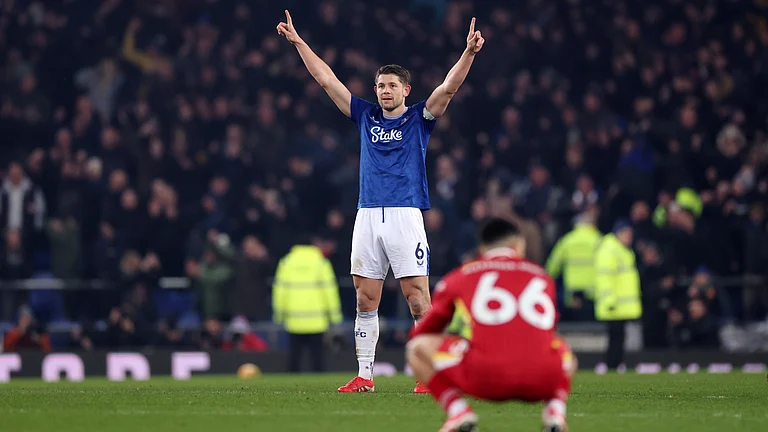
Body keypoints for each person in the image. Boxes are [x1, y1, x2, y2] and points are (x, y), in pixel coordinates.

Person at [276, 10, 485, 393]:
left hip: (405, 214)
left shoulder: (420, 117)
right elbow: (327, 80)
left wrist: (469, 53)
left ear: (406, 89)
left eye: (391, 85)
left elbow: (448, 89)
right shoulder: (365, 116)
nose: (384, 91)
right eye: (380, 85)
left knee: (418, 299)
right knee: (364, 297)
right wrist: (298, 42)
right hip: (368, 214)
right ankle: (365, 376)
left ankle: (427, 375)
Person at [407, 218, 576, 432]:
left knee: (417, 348)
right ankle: (555, 413)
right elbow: (547, 328)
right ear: (517, 245)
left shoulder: (461, 276)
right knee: (563, 349)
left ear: (482, 249)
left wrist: (462, 342)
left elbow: (423, 332)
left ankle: (459, 412)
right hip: (541, 379)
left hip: (485, 377)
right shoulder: (542, 277)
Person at [272, 237, 343, 373]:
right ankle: (321, 389)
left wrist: (279, 315)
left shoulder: (286, 263)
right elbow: (330, 290)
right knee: (317, 358)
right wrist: (335, 316)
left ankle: (290, 389)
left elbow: (280, 291)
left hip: (294, 319)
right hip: (317, 319)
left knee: (294, 358)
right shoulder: (321, 263)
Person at [594, 220, 642, 371]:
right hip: (614, 304)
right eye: (626, 233)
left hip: (621, 304)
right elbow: (604, 277)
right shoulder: (610, 250)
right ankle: (612, 365)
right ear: (618, 234)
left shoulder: (622, 250)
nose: (629, 237)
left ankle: (616, 364)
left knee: (619, 336)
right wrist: (609, 300)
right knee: (615, 337)